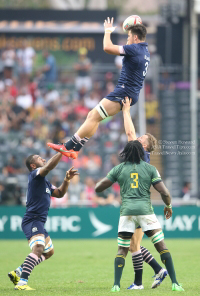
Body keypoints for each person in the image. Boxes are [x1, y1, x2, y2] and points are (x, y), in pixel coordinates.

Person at [48, 18, 150, 159]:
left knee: (93, 116)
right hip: (129, 92)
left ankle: (68, 147)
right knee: (93, 117)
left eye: (128, 37)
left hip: (124, 92)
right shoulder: (145, 51)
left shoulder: (135, 48)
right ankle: (76, 149)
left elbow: (107, 47)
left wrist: (108, 31)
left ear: (135, 37)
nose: (127, 40)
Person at [95, 141, 184, 292]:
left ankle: (116, 285)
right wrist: (168, 206)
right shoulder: (150, 169)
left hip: (127, 213)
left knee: (122, 249)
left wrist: (115, 179)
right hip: (145, 212)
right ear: (141, 153)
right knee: (161, 246)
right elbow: (165, 192)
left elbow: (98, 188)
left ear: (126, 152)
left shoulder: (118, 169)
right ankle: (175, 283)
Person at [8, 153, 78, 290]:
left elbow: (59, 193)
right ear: (33, 165)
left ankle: (18, 272)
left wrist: (67, 179)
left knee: (49, 252)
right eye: (40, 158)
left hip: (38, 221)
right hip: (33, 219)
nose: (44, 159)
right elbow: (49, 166)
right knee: (38, 248)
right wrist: (62, 152)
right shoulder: (35, 174)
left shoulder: (44, 181)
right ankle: (22, 283)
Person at [122, 97, 167, 289]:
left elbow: (130, 132)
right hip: (136, 203)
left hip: (138, 205)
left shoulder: (140, 153)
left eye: (143, 140)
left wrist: (125, 111)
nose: (139, 139)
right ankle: (157, 270)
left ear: (146, 146)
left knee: (133, 245)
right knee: (134, 244)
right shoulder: (141, 156)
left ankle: (140, 282)